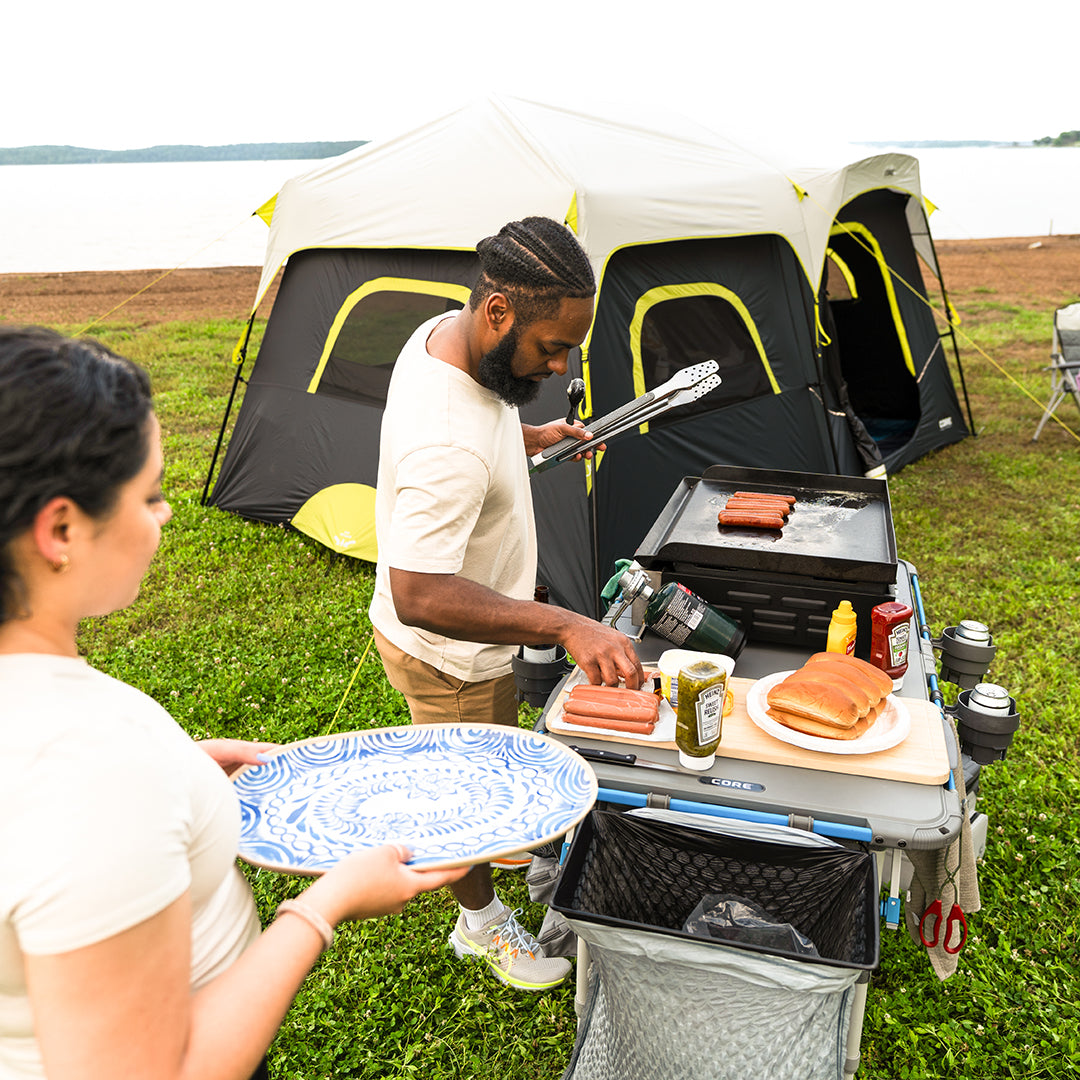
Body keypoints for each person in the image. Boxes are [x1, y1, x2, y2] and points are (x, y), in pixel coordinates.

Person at [0, 326, 467, 1080]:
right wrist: (326, 906)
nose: (166, 516)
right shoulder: (92, 764)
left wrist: (178, 775)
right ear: (60, 529)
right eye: (149, 493)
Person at [369, 216, 644, 992]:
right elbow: (418, 593)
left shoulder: (443, 336)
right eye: (551, 348)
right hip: (449, 656)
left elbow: (476, 416)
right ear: (498, 313)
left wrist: (528, 434)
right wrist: (562, 622)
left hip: (465, 644)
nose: (559, 366)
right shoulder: (445, 445)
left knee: (492, 765)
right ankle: (480, 925)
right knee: (464, 802)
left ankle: (505, 846)